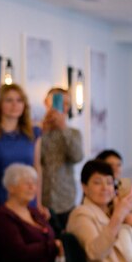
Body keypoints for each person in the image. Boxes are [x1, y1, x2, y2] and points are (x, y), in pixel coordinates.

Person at [0, 84, 45, 216]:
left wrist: (38, 202)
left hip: (28, 200)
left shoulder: (33, 133)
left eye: (19, 100)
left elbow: (37, 167)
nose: (15, 105)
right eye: (9, 100)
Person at [41, 88, 84, 230]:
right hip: (40, 200)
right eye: (58, 102)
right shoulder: (36, 131)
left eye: (66, 104)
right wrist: (43, 129)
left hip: (66, 199)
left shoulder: (74, 133)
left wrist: (63, 128)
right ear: (46, 103)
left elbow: (77, 156)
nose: (62, 107)